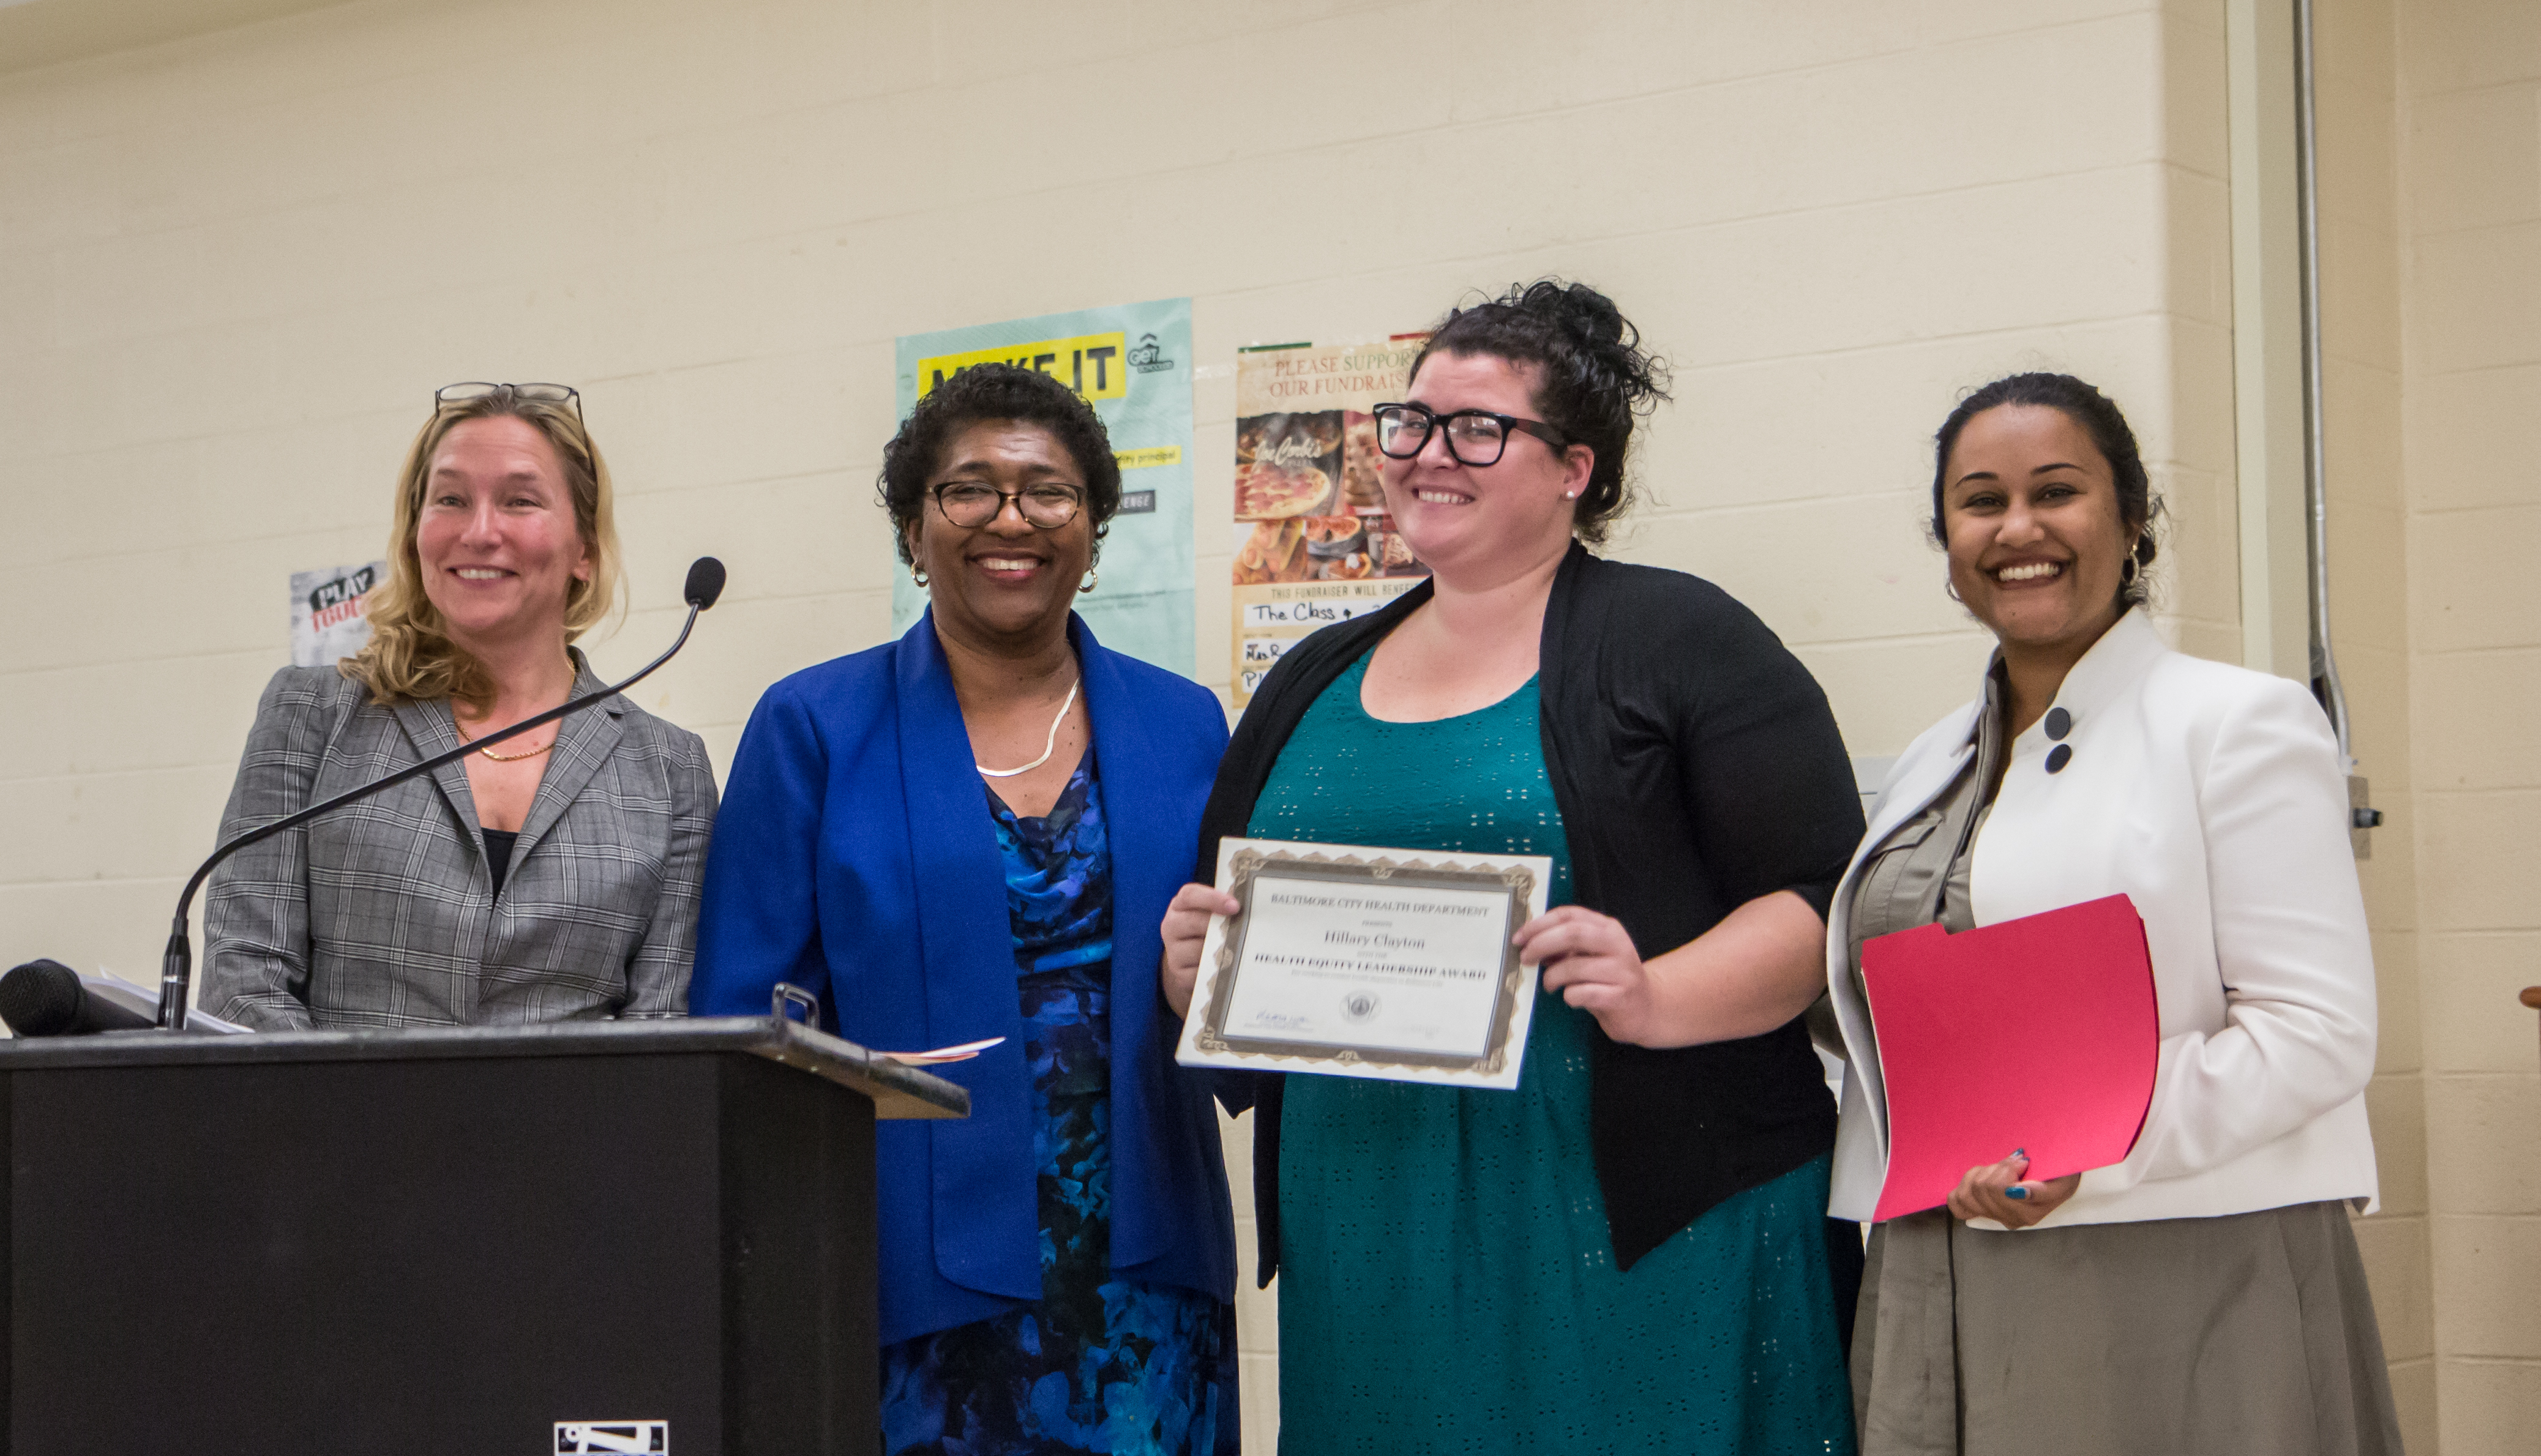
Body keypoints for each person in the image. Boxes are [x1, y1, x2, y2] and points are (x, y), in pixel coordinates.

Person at [1162, 282, 1866, 1454]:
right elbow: (1238, 946)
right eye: (1413, 422)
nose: (1430, 454)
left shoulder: (1685, 640)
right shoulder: (1311, 678)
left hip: (1635, 1219)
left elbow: (1818, 901)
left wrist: (1658, 992)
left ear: (1574, 468)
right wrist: (1200, 972)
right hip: (1371, 1224)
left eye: (1478, 428)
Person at [1828, 373, 2400, 1455]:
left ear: (2132, 521)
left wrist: (2089, 1151)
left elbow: (2317, 1033)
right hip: (1937, 1257)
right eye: (1981, 500)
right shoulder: (1930, 759)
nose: (2019, 528)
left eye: (2058, 491)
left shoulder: (2239, 722)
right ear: (1946, 539)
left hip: (2171, 1256)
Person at [688, 363, 1239, 1456]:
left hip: (1145, 1266)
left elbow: (1230, 983)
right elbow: (740, 1024)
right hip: (907, 1268)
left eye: (1048, 492)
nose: (1011, 519)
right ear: (913, 528)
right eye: (969, 489)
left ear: (1091, 530)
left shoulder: (1184, 722)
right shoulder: (814, 725)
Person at [203, 382, 719, 1028]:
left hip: (570, 1130)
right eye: (449, 499)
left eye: (519, 501)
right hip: (328, 1124)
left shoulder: (671, 772)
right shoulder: (311, 715)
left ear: (584, 549)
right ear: (416, 532)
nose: (479, 531)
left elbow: (660, 1031)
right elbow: (244, 987)